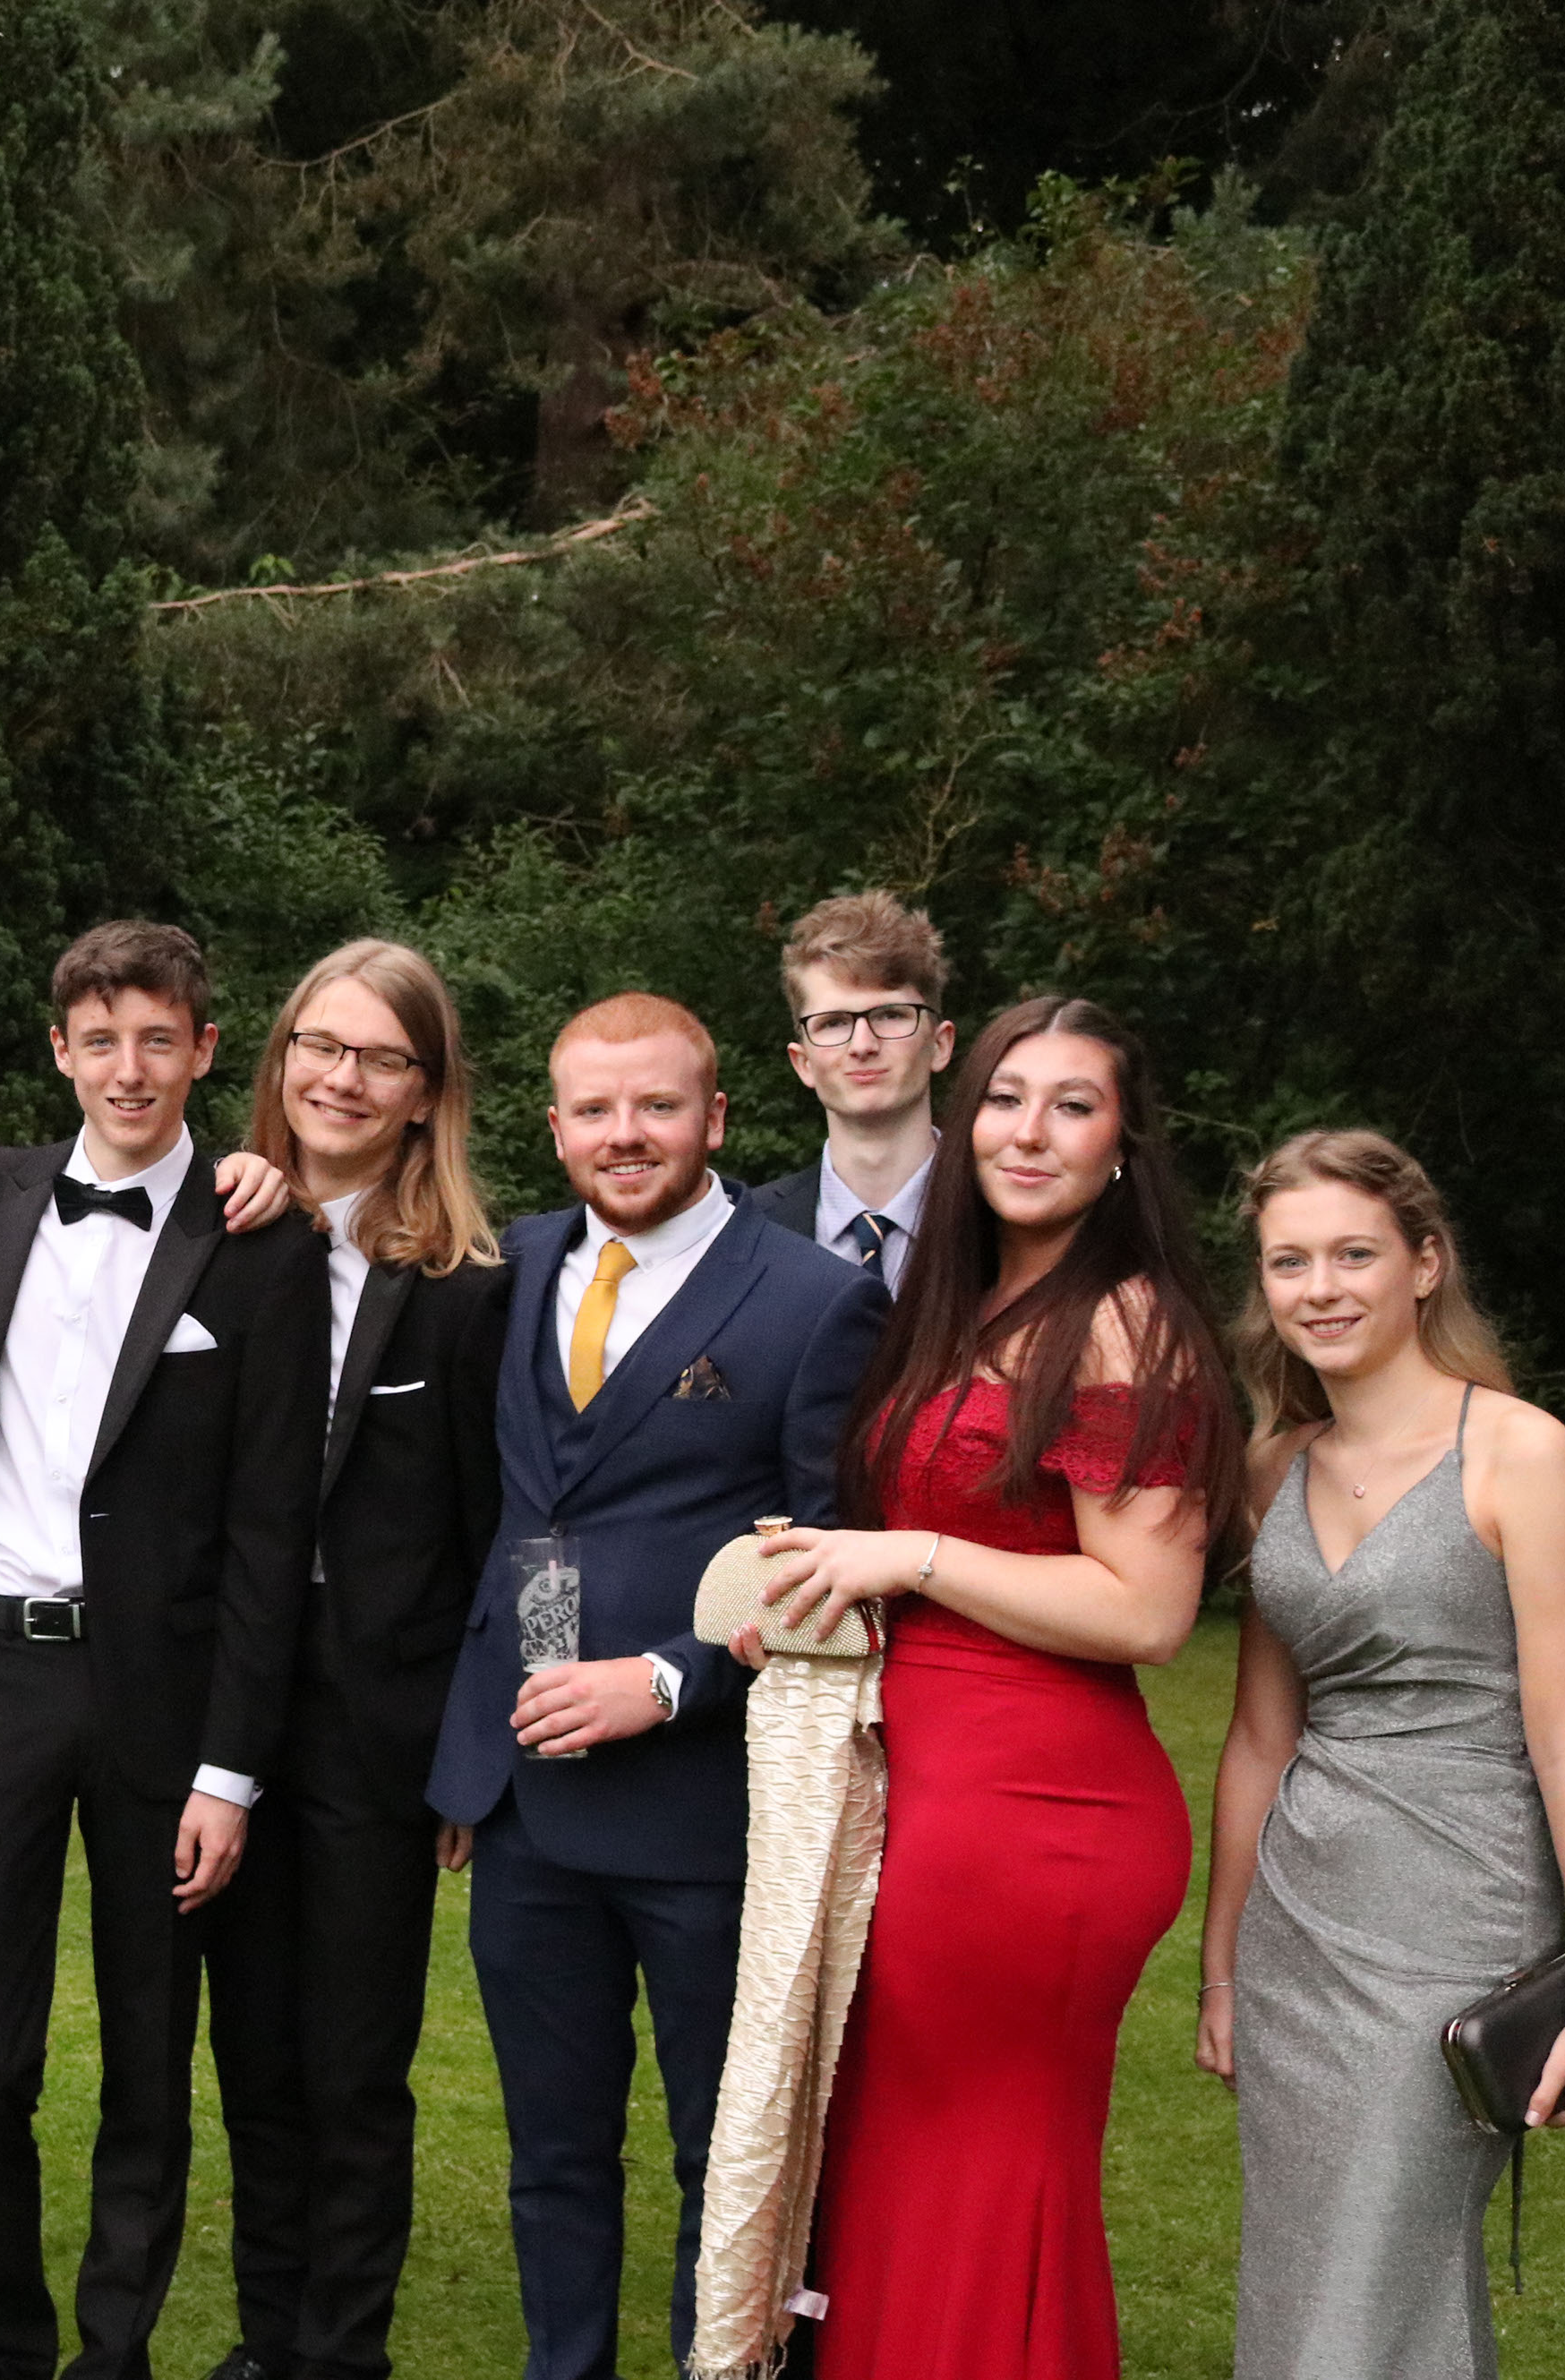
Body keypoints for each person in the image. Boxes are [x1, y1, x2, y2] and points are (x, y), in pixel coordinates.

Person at [741, 994, 1244, 2380]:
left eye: (1074, 1105)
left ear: (1123, 1143)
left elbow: (1149, 1609)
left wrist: (911, 1555)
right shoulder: (958, 1303)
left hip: (1037, 1811)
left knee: (987, 2169)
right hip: (919, 1778)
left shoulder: (1129, 1323)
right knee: (893, 2167)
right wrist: (814, 1600)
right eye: (1008, 1099)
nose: (1031, 1131)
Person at [423, 991, 886, 2380]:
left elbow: (833, 1564)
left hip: (706, 1809)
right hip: (529, 1804)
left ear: (716, 1117)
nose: (626, 1133)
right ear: (556, 1125)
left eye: (658, 1105)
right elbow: (531, 1514)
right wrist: (494, 1733)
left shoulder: (815, 1299)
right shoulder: (512, 1264)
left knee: (720, 2150)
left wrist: (671, 1681)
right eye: (595, 1109)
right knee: (552, 2150)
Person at [0, 920, 329, 2380]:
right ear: (59, 1049)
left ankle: (113, 2351)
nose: (129, 1069)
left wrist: (231, 1767)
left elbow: (271, 1533)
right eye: (100, 1040)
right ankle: (7, 2351)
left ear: (204, 1048)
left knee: (151, 2050)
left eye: (157, 1039)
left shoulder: (264, 1242)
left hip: (165, 1693)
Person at [1198, 1129, 1565, 2380]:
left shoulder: (1521, 1453)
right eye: (1289, 1261)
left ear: (1426, 1263)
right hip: (1297, 1935)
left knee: (1373, 2285)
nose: (1320, 1287)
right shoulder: (1272, 1465)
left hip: (1456, 1927)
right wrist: (1223, 1968)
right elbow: (1259, 1738)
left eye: (1355, 1254)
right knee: (1302, 2281)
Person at [196, 941, 509, 2380]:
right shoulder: (205, 1235)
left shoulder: (465, 1286)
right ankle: (269, 2339)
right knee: (252, 2053)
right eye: (321, 1045)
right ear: (280, 1058)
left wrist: (474, 1753)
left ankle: (341, 2354)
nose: (343, 1077)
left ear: (426, 1092)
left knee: (353, 2066)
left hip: (380, 1727)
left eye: (382, 1057)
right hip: (224, 1710)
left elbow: (498, 1534)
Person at [747, 893, 954, 1294]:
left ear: (940, 1044)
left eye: (890, 1015)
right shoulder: (743, 1233)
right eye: (834, 1023)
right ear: (802, 1062)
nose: (863, 1045)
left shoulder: (1008, 1219)